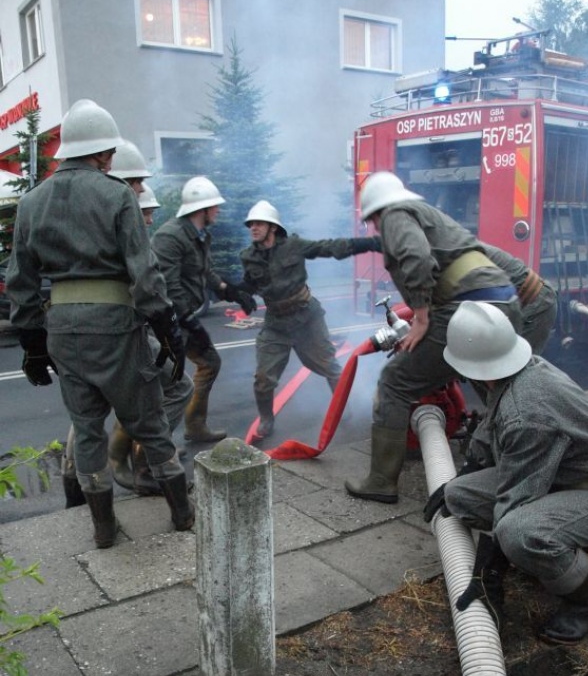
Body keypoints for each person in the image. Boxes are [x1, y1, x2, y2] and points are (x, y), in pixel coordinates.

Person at [6, 99, 194, 547]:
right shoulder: (117, 197)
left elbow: (21, 279)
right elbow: (144, 274)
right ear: (105, 154)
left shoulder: (31, 203)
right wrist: (168, 329)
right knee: (148, 420)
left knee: (87, 428)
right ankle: (182, 515)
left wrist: (32, 343)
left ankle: (104, 529)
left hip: (63, 330)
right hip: (116, 326)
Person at [423, 301, 588, 644]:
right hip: (562, 474)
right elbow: (492, 431)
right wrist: (463, 474)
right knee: (459, 496)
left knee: (518, 532)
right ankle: (561, 549)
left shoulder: (528, 414)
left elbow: (513, 501)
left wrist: (487, 574)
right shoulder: (517, 371)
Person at [344, 171, 522, 505]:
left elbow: (417, 258)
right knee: (493, 385)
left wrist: (422, 317)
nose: (377, 230)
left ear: (377, 212)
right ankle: (511, 459)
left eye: (373, 222)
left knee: (395, 381)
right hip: (501, 303)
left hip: (467, 308)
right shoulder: (426, 214)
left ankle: (381, 481)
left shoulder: (395, 214)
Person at [239, 200, 381, 438]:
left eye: (259, 223)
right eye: (251, 224)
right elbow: (251, 283)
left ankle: (341, 406)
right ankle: (266, 418)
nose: (253, 227)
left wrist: (369, 243)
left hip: (307, 319)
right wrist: (242, 294)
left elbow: (329, 247)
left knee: (331, 368)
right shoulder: (248, 256)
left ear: (273, 227)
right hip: (276, 325)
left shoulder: (293, 246)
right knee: (263, 379)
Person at [151, 177, 256, 443]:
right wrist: (188, 320)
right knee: (167, 383)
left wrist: (231, 291)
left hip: (185, 320)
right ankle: (154, 448)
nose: (218, 211)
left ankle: (195, 427)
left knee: (209, 363)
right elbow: (167, 284)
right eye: (215, 207)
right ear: (203, 209)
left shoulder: (200, 235)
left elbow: (205, 272)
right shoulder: (170, 235)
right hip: (169, 322)